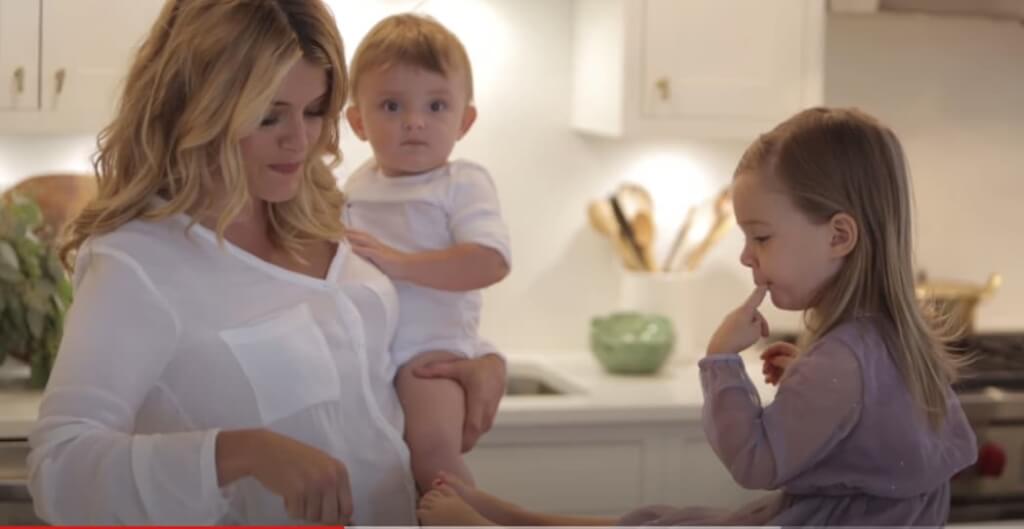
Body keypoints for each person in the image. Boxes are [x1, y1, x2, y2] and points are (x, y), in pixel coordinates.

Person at [26, 0, 506, 525]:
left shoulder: (326, 211)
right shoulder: (138, 262)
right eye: (268, 115)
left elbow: (359, 358)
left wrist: (477, 362)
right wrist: (240, 452)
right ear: (198, 106)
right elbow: (59, 469)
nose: (300, 140)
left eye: (314, 109)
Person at [415, 107, 978, 527]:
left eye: (760, 236)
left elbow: (755, 463)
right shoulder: (887, 342)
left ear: (838, 236)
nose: (745, 255)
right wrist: (808, 375)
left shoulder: (841, 362)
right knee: (667, 522)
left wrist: (721, 362)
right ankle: (512, 518)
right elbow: (876, 431)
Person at [341, 13, 510, 494]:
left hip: (430, 355)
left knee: (433, 459)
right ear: (358, 121)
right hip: (368, 356)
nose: (414, 121)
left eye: (436, 105)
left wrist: (400, 264)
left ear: (465, 120)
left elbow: (489, 261)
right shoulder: (357, 185)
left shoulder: (462, 182)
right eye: (391, 106)